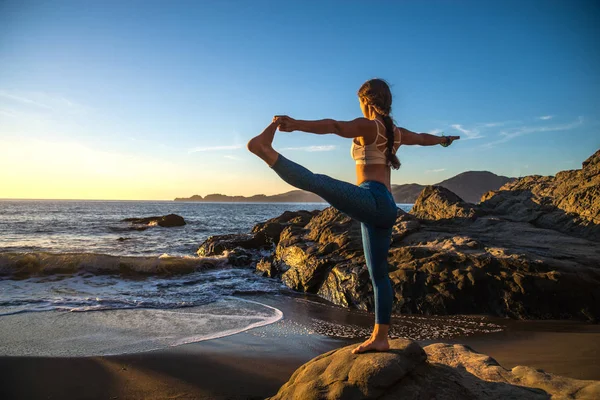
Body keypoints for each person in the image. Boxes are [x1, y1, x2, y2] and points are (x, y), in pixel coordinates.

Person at [247, 78, 459, 354]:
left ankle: (265, 151)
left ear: (366, 101)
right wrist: (443, 141)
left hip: (371, 198)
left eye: (359, 101)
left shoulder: (369, 125)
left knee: (318, 182)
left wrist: (296, 124)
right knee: (379, 276)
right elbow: (422, 138)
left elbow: (335, 126)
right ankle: (380, 337)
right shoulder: (396, 131)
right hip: (386, 207)